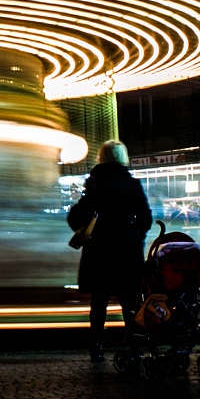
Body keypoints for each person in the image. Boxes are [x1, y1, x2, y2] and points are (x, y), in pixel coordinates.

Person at [67, 139, 153, 363]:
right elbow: (146, 218)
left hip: (101, 249)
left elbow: (77, 217)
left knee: (99, 302)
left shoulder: (95, 184)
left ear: (102, 158)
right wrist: (135, 236)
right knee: (129, 302)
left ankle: (96, 347)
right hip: (127, 251)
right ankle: (134, 346)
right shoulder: (132, 185)